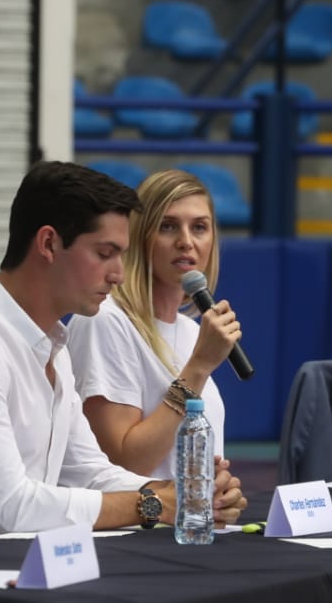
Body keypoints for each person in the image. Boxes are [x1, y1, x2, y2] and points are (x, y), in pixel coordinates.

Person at [0, 161, 246, 547]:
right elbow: (10, 507)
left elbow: (88, 471)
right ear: (48, 244)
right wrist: (156, 502)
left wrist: (190, 493)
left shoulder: (53, 347)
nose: (118, 274)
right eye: (104, 253)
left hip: (6, 573)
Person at [65, 168, 240, 478]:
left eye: (199, 227)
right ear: (140, 236)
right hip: (128, 525)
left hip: (184, 523)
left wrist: (215, 492)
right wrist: (198, 367)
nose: (186, 242)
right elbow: (122, 467)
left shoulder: (191, 332)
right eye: (168, 226)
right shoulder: (104, 321)